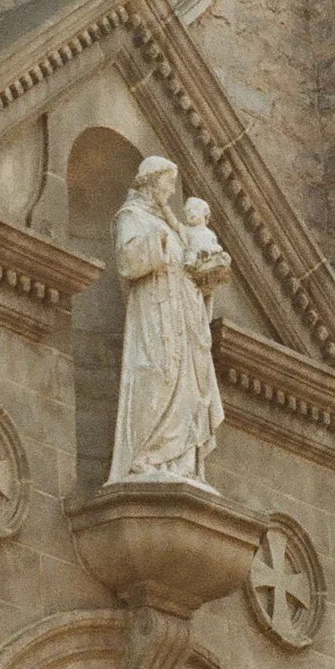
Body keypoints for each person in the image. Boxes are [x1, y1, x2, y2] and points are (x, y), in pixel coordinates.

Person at [109, 157, 224, 484]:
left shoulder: (172, 223)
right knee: (157, 376)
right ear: (151, 180)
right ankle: (146, 457)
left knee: (187, 386)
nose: (171, 191)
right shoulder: (132, 217)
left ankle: (181, 463)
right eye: (168, 183)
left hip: (184, 317)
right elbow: (128, 262)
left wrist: (205, 279)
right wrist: (158, 242)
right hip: (155, 313)